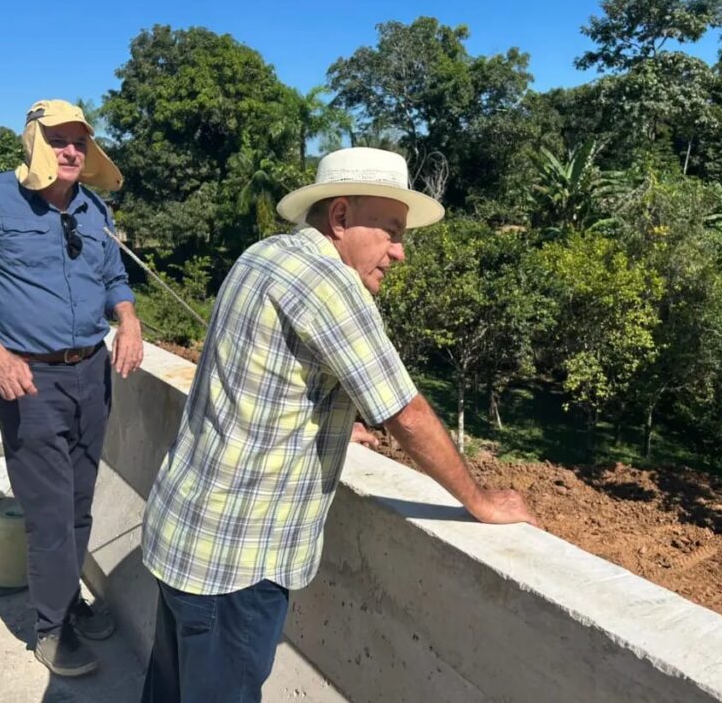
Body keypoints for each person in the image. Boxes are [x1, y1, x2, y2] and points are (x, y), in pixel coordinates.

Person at [140, 146, 538, 701]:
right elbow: (406, 412)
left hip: (185, 531)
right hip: (238, 561)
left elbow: (249, 378)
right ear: (342, 217)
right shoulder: (330, 282)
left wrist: (324, 418)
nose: (400, 253)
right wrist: (481, 500)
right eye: (392, 231)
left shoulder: (263, 256)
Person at [0, 99, 143, 677]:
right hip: (28, 377)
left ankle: (69, 600)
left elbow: (113, 278)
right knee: (49, 511)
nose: (71, 150)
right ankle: (50, 629)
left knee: (79, 503)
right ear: (34, 143)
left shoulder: (93, 205)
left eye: (80, 141)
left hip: (91, 372)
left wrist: (127, 319)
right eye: (59, 140)